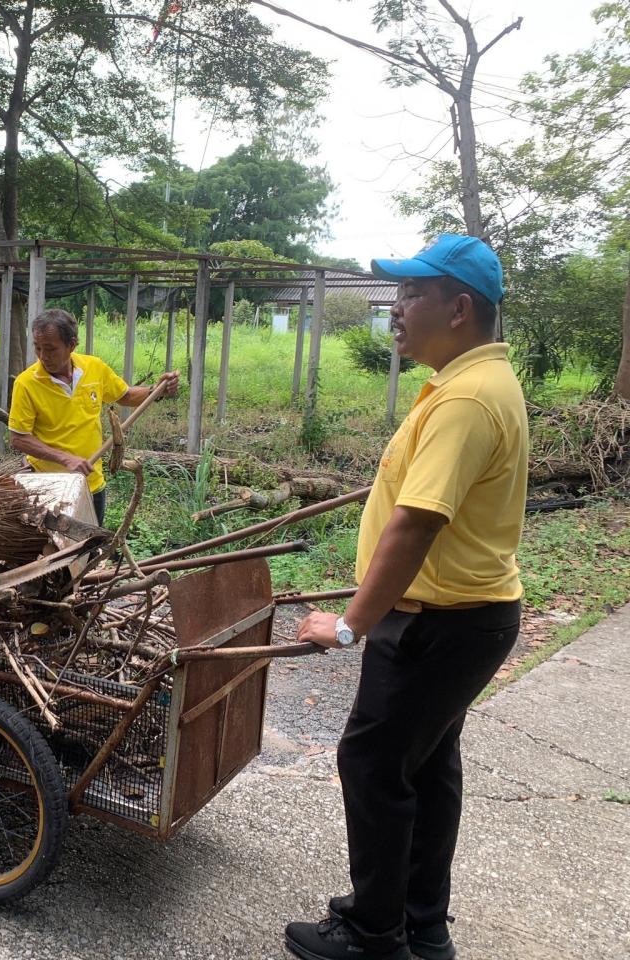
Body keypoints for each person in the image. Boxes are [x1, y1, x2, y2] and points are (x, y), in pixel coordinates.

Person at [285, 235, 526, 960]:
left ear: (458, 309)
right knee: (426, 766)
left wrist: (351, 627)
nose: (396, 306)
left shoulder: (467, 399)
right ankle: (421, 923)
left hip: (435, 626)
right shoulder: (478, 384)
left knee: (372, 764)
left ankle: (373, 934)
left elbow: (416, 524)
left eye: (412, 293)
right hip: (470, 622)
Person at [7, 308, 179, 524]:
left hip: (91, 483)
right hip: (49, 486)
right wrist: (65, 458)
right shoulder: (26, 383)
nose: (43, 356)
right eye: (37, 348)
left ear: (71, 345)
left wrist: (157, 389)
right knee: (53, 551)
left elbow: (124, 395)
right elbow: (18, 438)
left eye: (50, 349)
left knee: (90, 551)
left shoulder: (94, 368)